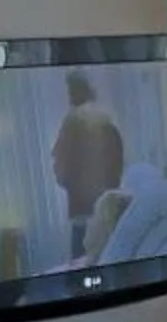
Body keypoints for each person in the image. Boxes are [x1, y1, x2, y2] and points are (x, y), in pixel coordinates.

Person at [49, 70, 125, 253]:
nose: (69, 97)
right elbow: (118, 168)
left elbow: (61, 169)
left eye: (71, 91)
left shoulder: (73, 123)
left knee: (82, 268)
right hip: (107, 211)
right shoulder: (109, 124)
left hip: (84, 211)